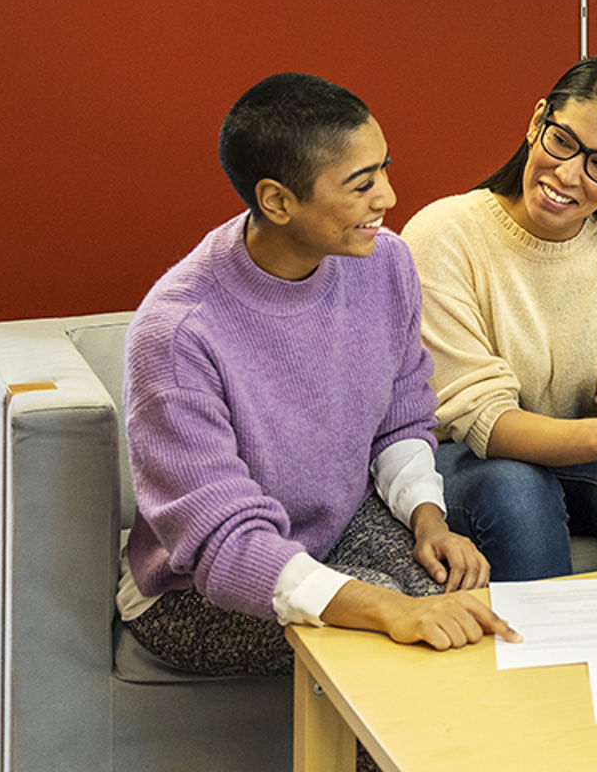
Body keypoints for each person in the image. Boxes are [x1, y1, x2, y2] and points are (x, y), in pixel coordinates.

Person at [119, 73, 516, 694]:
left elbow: (402, 418)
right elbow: (225, 547)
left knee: (459, 611)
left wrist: (428, 520)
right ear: (277, 201)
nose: (387, 196)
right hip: (191, 589)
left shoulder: (385, 262)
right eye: (361, 184)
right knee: (389, 651)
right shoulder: (176, 334)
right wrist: (388, 611)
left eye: (384, 168)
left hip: (336, 530)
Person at [401, 56, 597, 582]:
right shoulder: (444, 235)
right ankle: (540, 663)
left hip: (591, 448)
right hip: (472, 459)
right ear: (536, 121)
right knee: (519, 491)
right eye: (561, 141)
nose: (568, 174)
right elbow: (483, 419)